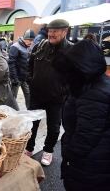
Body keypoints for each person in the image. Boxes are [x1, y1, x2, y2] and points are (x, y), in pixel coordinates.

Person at [51, 39, 110, 190]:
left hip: (89, 164)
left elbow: (86, 137)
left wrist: (68, 153)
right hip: (94, 159)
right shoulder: (92, 82)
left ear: (82, 67)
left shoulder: (94, 93)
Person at [25, 19, 73, 166]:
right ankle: (29, 148)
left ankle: (48, 150)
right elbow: (30, 65)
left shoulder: (71, 51)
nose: (51, 34)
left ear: (64, 31)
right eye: (50, 31)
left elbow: (75, 77)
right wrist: (30, 80)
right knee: (32, 123)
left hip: (56, 98)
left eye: (55, 31)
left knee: (54, 127)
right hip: (37, 94)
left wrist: (62, 91)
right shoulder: (40, 45)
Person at [8, 29, 35, 108]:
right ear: (24, 39)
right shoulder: (15, 47)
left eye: (32, 40)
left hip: (25, 77)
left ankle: (30, 111)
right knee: (13, 98)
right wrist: (14, 78)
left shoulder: (28, 48)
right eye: (29, 40)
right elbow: (11, 63)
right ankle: (11, 113)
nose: (31, 42)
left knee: (29, 95)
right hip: (16, 78)